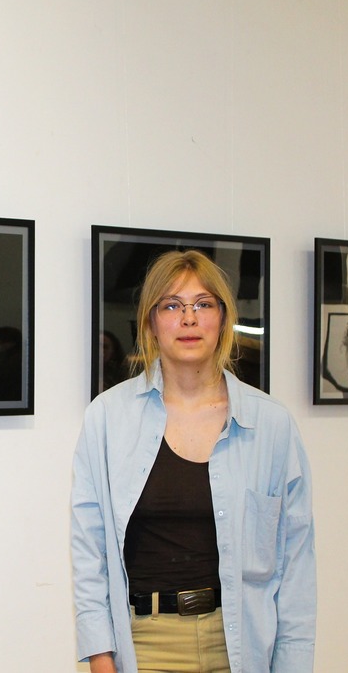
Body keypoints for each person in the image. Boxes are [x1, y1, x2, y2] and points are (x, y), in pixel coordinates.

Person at [71, 250, 316, 672]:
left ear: (223, 318)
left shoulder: (271, 424)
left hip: (243, 646)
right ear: (151, 322)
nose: (188, 319)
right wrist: (100, 655)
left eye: (203, 304)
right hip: (145, 647)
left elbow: (296, 565)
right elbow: (88, 549)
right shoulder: (107, 418)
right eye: (172, 306)